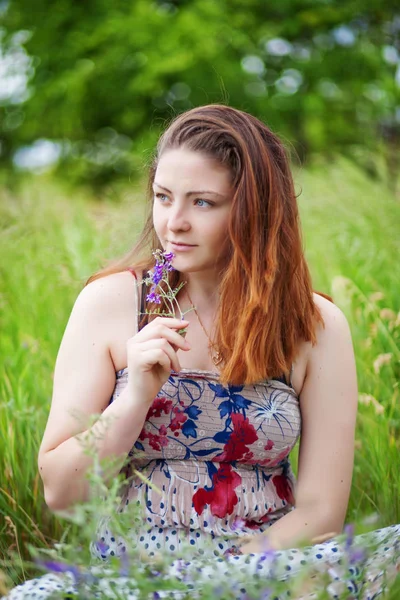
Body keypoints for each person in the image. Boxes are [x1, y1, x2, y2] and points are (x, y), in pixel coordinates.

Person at [5, 105, 399, 600]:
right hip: (136, 573)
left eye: (204, 203)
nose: (175, 223)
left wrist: (224, 580)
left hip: (266, 565)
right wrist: (135, 399)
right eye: (163, 197)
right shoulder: (110, 303)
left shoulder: (314, 327)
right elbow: (61, 495)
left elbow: (321, 513)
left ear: (254, 209)